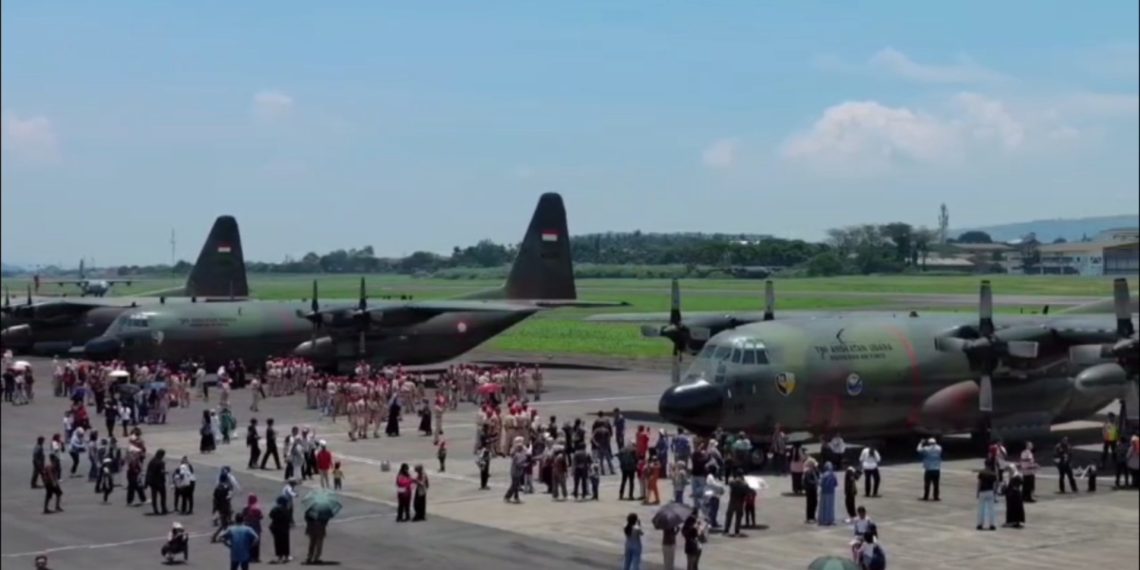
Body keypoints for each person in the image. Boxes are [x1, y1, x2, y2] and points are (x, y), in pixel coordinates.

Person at [268, 495, 293, 564]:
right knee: (285, 542)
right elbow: (289, 519)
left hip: (276, 528)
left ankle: (279, 556)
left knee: (277, 542)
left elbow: (270, 515)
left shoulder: (275, 509)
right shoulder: (286, 509)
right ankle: (286, 556)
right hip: (285, 528)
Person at [241, 494, 264, 563]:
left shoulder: (246, 507)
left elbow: (242, 516)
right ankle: (256, 557)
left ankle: (249, 556)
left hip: (247, 526)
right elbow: (261, 517)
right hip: (256, 526)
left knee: (248, 542)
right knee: (256, 541)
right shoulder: (257, 507)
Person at [976, 461, 998, 531]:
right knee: (991, 509)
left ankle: (980, 524)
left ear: (985, 465)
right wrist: (994, 493)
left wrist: (977, 492)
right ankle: (992, 524)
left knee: (981, 509)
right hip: (990, 491)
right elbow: (994, 485)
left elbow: (979, 483)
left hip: (982, 492)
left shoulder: (981, 473)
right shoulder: (993, 473)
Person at [818, 461, 838, 526]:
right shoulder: (833, 475)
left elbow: (820, 483)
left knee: (824, 506)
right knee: (831, 506)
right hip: (831, 492)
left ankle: (823, 519)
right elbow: (836, 484)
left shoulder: (824, 475)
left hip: (824, 492)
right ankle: (830, 519)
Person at [803, 459, 819, 524]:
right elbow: (809, 481)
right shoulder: (808, 472)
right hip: (810, 490)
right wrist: (815, 482)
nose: (816, 467)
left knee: (815, 503)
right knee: (810, 504)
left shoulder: (814, 471)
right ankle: (809, 517)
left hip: (814, 490)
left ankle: (813, 516)